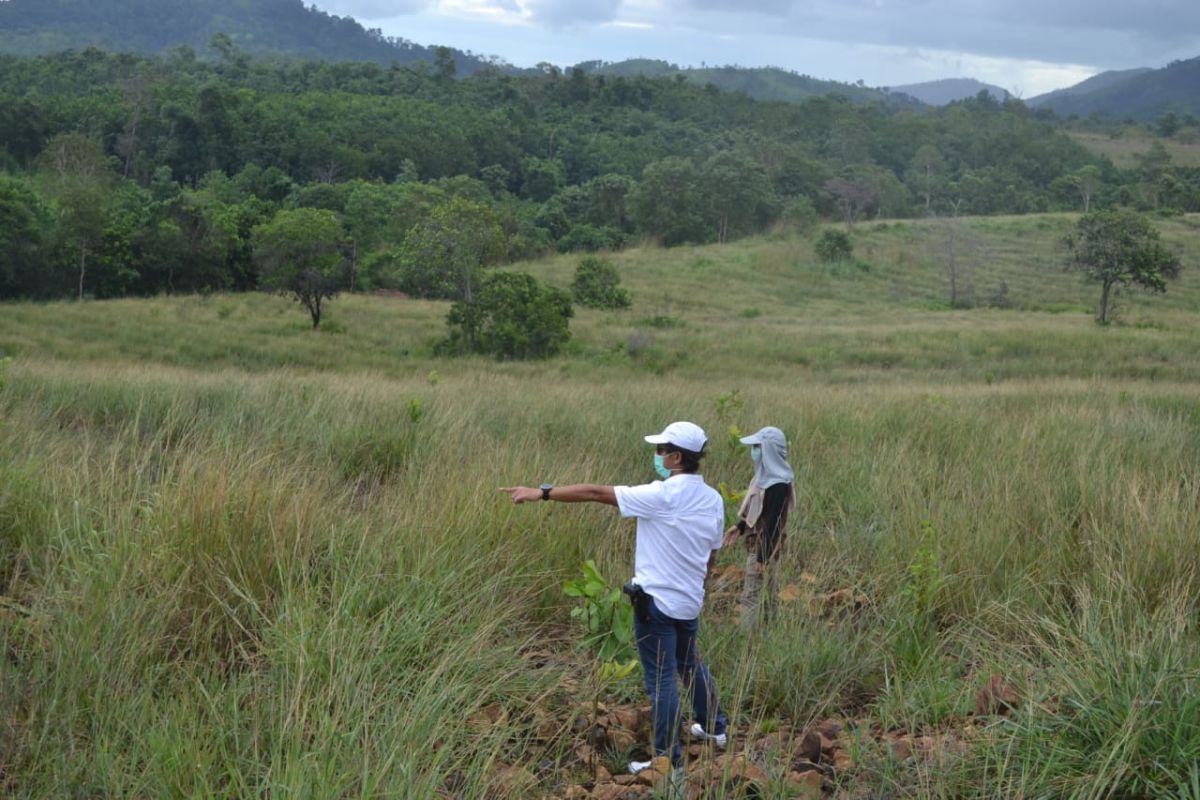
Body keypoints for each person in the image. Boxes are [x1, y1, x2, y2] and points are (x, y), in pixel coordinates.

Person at [500, 420, 729, 778]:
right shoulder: (713, 499)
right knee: (689, 663)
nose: (657, 457)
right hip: (689, 600)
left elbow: (595, 493)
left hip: (657, 605)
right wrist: (697, 587)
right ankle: (714, 726)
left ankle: (668, 760)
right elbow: (712, 554)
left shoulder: (662, 495)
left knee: (662, 680)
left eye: (661, 451)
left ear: (676, 457)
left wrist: (541, 492)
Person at [724, 426, 796, 630]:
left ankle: (750, 638)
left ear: (769, 450)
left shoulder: (778, 484)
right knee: (769, 591)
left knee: (752, 594)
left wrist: (761, 557)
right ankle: (769, 630)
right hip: (763, 544)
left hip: (764, 546)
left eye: (757, 447)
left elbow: (773, 522)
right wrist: (739, 527)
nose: (754, 451)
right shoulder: (763, 478)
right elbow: (758, 512)